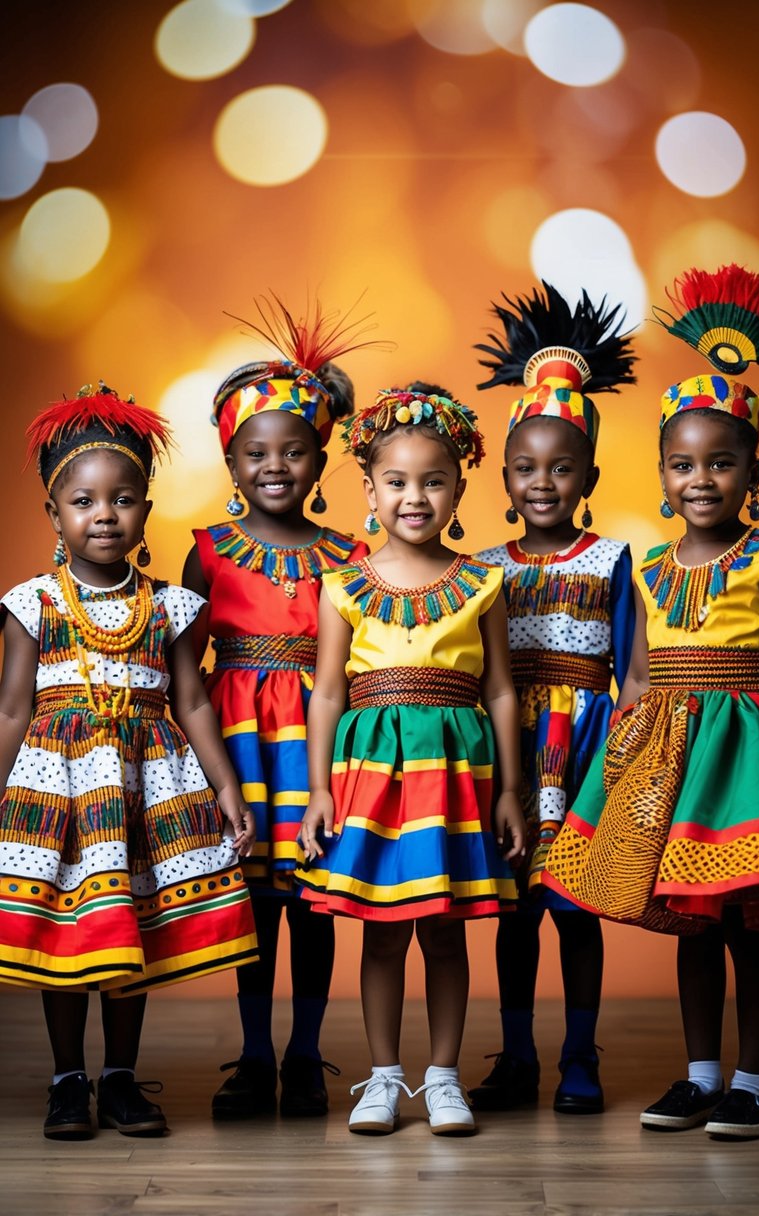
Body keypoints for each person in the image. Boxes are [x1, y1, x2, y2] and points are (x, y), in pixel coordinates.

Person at [543, 265, 759, 1140]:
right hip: (662, 759)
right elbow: (633, 676)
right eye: (681, 464)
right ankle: (701, 1073)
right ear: (661, 474)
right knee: (691, 929)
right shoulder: (650, 568)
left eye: (721, 462)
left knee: (745, 922)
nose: (700, 479)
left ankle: (752, 1080)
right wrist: (615, 769)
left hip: (743, 762)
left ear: (753, 470)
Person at [0, 383, 257, 1141]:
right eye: (83, 500)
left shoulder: (172, 606)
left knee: (125, 934)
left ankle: (118, 1077)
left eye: (123, 499)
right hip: (58, 795)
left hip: (143, 790)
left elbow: (195, 703)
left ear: (146, 509)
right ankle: (65, 1078)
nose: (103, 514)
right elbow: (14, 708)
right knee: (66, 934)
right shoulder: (32, 605)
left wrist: (227, 789)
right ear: (56, 516)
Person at [297, 383, 524, 1136]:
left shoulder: (482, 583)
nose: (414, 497)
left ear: (459, 488)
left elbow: (498, 692)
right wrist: (318, 792)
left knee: (446, 927)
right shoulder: (342, 585)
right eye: (396, 482)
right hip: (369, 780)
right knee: (381, 928)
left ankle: (443, 1078)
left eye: (433, 481)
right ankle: (384, 1078)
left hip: (455, 779)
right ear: (368, 489)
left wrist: (509, 792)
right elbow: (327, 694)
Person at [182, 297, 372, 1120]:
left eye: (293, 452)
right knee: (252, 903)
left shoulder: (349, 555)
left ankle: (305, 1053)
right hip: (237, 742)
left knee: (312, 900)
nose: (274, 466)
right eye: (256, 452)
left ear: (319, 458)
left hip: (317, 741)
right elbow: (181, 669)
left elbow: (364, 658)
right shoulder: (207, 553)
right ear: (230, 460)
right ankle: (255, 1053)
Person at [469, 282, 637, 1115]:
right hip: (507, 750)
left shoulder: (612, 560)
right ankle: (517, 1056)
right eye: (527, 468)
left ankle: (579, 1054)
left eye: (561, 467)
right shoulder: (483, 568)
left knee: (575, 911)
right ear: (503, 475)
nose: (543, 482)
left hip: (585, 751)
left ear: (588, 475)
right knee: (514, 911)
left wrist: (634, 765)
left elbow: (635, 672)